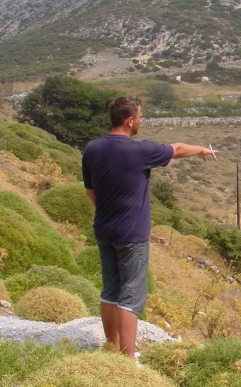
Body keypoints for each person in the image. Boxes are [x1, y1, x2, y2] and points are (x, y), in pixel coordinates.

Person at [82, 96, 217, 358]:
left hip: (104, 229)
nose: (142, 121)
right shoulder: (139, 150)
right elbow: (176, 149)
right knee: (131, 296)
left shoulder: (92, 148)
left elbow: (90, 191)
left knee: (110, 289)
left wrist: (108, 211)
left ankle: (111, 346)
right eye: (141, 117)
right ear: (130, 121)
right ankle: (127, 358)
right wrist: (202, 149)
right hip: (132, 234)